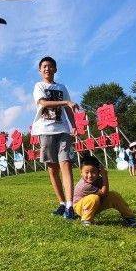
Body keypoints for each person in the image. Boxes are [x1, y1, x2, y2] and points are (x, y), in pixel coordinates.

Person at [31, 56, 78, 219]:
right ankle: (62, 203)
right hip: (45, 130)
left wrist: (75, 126)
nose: (47, 69)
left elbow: (70, 110)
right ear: (40, 70)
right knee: (52, 169)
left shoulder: (62, 87)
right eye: (44, 66)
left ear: (55, 69)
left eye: (50, 66)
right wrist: (66, 103)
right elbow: (43, 103)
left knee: (66, 164)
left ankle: (70, 206)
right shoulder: (39, 86)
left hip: (63, 129)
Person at [73, 155, 136, 227]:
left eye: (93, 172)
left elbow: (106, 193)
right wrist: (105, 176)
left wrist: (103, 176)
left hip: (94, 205)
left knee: (113, 195)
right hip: (80, 207)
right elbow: (104, 193)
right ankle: (86, 220)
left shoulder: (98, 179)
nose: (90, 175)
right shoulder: (84, 186)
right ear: (81, 172)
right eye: (86, 172)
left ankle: (129, 218)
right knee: (93, 198)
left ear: (99, 172)